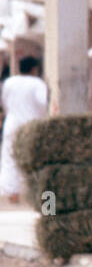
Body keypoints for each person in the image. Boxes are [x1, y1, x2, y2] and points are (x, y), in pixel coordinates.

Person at [0, 56, 49, 202]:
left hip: (12, 123)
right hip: (31, 125)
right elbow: (42, 103)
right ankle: (36, 194)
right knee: (33, 159)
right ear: (34, 69)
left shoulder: (9, 82)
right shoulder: (38, 83)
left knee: (9, 157)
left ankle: (12, 193)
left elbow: (4, 102)